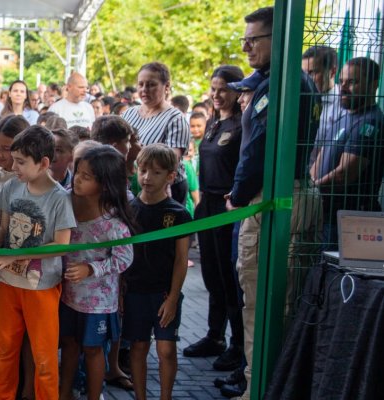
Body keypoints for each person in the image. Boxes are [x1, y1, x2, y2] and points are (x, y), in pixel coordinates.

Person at [223, 7, 321, 399]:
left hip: (273, 201)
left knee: (263, 307)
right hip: (293, 193)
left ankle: (260, 388)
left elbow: (259, 148)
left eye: (254, 39)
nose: (246, 46)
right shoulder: (287, 81)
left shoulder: (280, 85)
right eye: (244, 39)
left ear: (278, 41)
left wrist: (240, 195)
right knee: (274, 304)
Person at [0, 126, 76, 400]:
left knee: (45, 358)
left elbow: (62, 245)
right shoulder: (12, 186)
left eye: (21, 162)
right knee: (4, 351)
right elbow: (3, 230)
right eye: (14, 159)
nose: (14, 167)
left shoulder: (59, 198)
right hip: (8, 283)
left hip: (42, 289)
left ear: (44, 163)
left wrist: (9, 256)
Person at [59, 146, 135, 400]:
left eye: (86, 176)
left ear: (105, 184)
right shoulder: (65, 201)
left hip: (98, 304)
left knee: (93, 350)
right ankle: (63, 393)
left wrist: (92, 268)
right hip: (67, 296)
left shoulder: (113, 223)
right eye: (77, 172)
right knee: (68, 346)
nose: (77, 178)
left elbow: (124, 258)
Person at [184, 65, 246, 373]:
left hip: (227, 207)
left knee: (228, 277)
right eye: (214, 88)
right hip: (206, 205)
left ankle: (237, 343)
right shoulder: (211, 123)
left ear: (237, 90)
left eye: (224, 89)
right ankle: (214, 335)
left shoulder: (242, 123)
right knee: (210, 275)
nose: (218, 94)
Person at [124, 143, 191, 400]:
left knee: (166, 350)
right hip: (135, 292)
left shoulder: (179, 214)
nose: (147, 178)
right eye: (142, 170)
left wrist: (173, 298)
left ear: (171, 176)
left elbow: (181, 260)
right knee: (138, 347)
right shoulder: (128, 210)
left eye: (156, 172)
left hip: (164, 294)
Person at [310, 58, 384, 246]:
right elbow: (319, 157)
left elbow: (344, 174)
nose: (343, 88)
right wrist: (309, 188)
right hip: (324, 217)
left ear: (374, 85)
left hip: (347, 223)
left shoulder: (371, 121)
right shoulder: (345, 117)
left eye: (352, 82)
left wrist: (311, 192)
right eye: (341, 81)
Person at [122, 62, 191, 205]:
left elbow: (173, 159)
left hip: (165, 190)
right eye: (141, 84)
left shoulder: (175, 118)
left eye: (151, 84)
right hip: (132, 185)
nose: (144, 89)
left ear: (166, 87)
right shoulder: (129, 113)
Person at [302, 46, 343, 167]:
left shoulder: (343, 105)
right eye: (303, 74)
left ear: (332, 72)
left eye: (312, 73)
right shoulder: (299, 99)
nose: (306, 79)